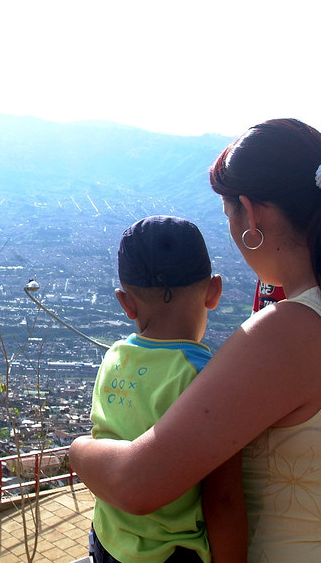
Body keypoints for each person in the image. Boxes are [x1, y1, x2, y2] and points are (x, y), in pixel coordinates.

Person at [70, 118, 321, 562]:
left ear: (251, 214)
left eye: (229, 216)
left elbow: (135, 484)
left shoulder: (288, 331)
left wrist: (78, 450)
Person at [86, 215, 245, 563]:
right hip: (173, 554)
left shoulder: (114, 358)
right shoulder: (209, 380)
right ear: (214, 291)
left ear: (126, 303)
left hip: (107, 542)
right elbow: (223, 499)